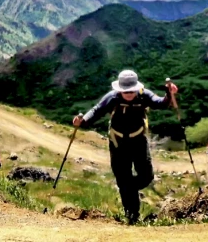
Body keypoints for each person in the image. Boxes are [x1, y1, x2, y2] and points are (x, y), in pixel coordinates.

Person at [73, 69, 178, 225]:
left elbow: (160, 103)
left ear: (136, 87)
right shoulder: (112, 98)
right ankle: (132, 216)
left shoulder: (144, 95)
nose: (128, 93)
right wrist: (82, 121)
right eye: (125, 90)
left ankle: (129, 190)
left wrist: (169, 94)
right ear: (119, 89)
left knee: (145, 177)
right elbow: (96, 111)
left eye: (131, 90)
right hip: (118, 143)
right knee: (123, 180)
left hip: (139, 141)